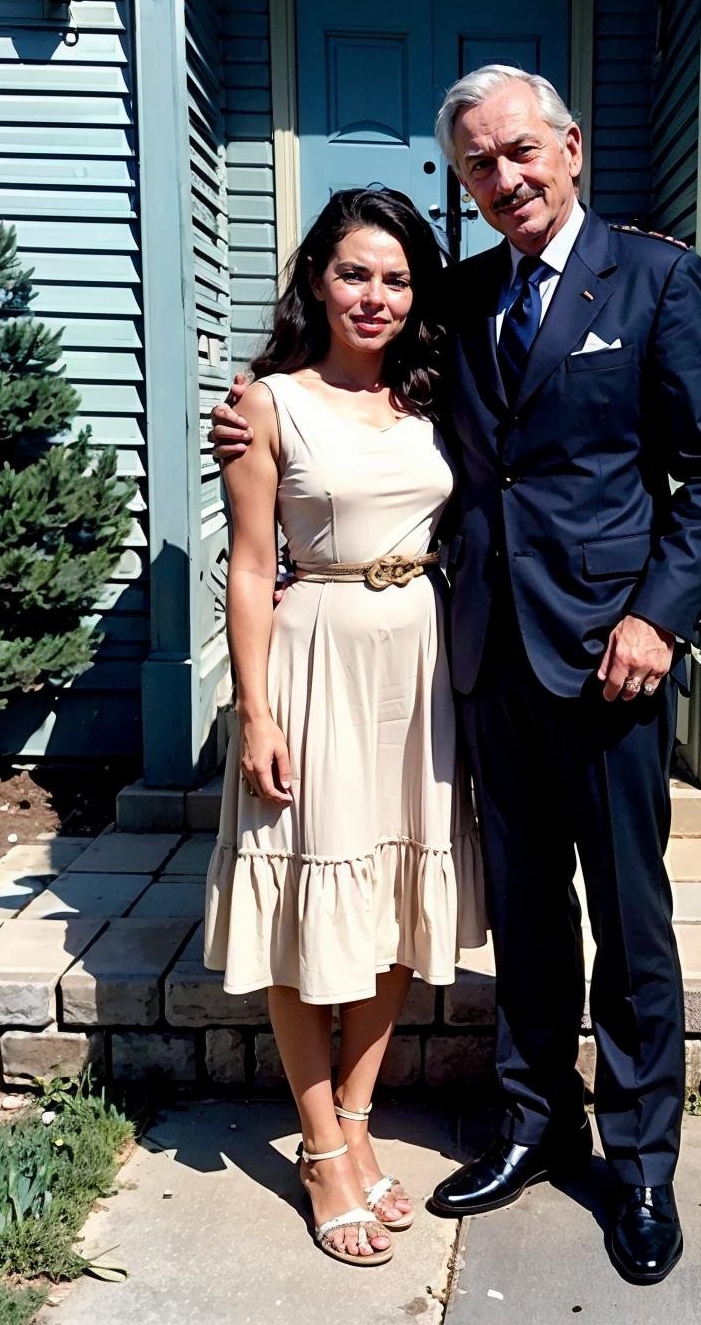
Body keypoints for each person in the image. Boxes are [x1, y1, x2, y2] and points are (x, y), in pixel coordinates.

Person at [212, 65, 701, 1288]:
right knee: (520, 910)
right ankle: (532, 1122)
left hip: (612, 659)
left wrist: (660, 621)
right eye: (476, 166)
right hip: (479, 660)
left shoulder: (656, 279)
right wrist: (250, 425)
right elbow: (347, 401)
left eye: (519, 153)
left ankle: (641, 1161)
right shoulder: (450, 298)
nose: (502, 179)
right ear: (459, 181)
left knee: (628, 914)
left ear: (568, 145)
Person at [202, 187, 485, 1269]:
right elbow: (251, 564)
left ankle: (358, 1123)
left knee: (394, 901)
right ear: (317, 277)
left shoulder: (435, 397)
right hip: (313, 653)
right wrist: (257, 708)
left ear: (419, 297)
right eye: (355, 272)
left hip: (417, 663)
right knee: (305, 900)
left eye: (397, 278)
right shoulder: (266, 402)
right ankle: (319, 1149)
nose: (375, 296)